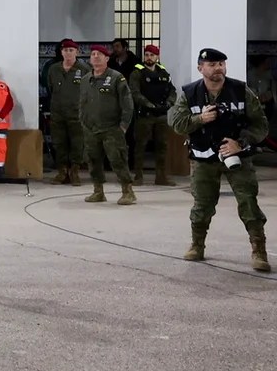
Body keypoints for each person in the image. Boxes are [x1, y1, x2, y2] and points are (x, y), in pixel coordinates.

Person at [169, 48, 268, 271]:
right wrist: (200, 118)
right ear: (200, 68)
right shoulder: (189, 93)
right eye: (212, 64)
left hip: (237, 157)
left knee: (248, 202)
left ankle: (259, 250)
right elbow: (177, 124)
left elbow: (261, 125)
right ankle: (197, 244)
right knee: (202, 204)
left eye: (222, 64)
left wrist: (240, 143)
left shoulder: (241, 91)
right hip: (204, 158)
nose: (218, 68)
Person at [80, 44, 135, 206]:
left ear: (107, 58)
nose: (95, 56)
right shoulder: (85, 80)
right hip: (90, 128)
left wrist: (124, 125)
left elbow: (127, 103)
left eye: (100, 54)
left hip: (112, 128)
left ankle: (128, 192)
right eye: (93, 54)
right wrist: (83, 122)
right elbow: (82, 103)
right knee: (93, 160)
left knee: (117, 159)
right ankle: (98, 192)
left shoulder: (117, 78)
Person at [130, 44, 176, 186]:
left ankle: (161, 177)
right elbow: (134, 92)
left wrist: (169, 103)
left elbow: (172, 91)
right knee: (140, 146)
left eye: (152, 55)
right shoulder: (137, 73)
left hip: (161, 115)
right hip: (145, 115)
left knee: (162, 146)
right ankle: (138, 176)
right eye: (147, 54)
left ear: (157, 56)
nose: (149, 57)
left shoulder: (163, 73)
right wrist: (148, 104)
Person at [44, 39, 86, 184]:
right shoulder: (53, 69)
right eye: (65, 50)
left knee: (77, 143)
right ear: (61, 52)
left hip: (77, 114)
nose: (68, 53)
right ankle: (62, 172)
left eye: (71, 50)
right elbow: (50, 88)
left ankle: (74, 171)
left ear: (77, 52)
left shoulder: (84, 70)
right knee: (59, 143)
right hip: (58, 113)